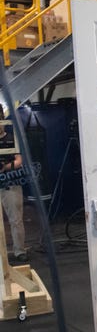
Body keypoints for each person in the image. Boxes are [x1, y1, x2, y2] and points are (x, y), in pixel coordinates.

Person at [0, 109, 28, 263]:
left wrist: (6, 167)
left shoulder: (12, 138)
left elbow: (19, 161)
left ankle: (19, 251)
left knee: (16, 220)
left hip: (11, 184)